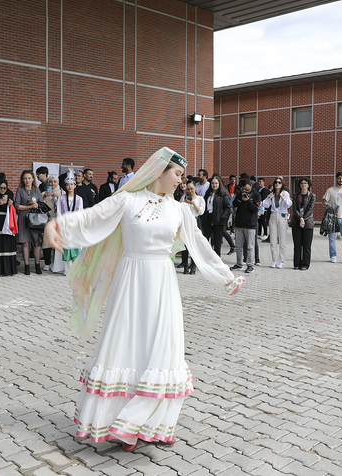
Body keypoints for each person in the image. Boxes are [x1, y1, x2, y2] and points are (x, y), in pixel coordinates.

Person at [43, 147, 243, 451]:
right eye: (177, 174)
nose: (181, 181)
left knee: (163, 350)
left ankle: (149, 424)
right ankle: (119, 423)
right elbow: (92, 217)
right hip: (130, 279)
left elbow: (201, 246)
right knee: (126, 346)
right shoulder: (127, 199)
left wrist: (225, 276)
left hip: (162, 282)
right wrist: (56, 225)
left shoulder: (180, 210)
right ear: (159, 171)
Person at [51, 175, 84, 275]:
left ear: (75, 186)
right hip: (64, 226)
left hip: (74, 226)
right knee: (64, 245)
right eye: (68, 185)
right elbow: (59, 212)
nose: (70, 186)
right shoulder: (61, 198)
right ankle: (65, 269)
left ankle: (74, 268)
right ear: (65, 186)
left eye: (72, 184)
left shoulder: (79, 199)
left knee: (74, 246)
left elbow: (80, 213)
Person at [16, 170, 46, 275]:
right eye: (25, 178)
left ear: (33, 179)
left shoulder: (36, 191)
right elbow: (17, 206)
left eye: (29, 178)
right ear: (22, 180)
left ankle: (37, 265)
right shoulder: (19, 190)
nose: (27, 180)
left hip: (35, 218)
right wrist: (30, 206)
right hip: (24, 217)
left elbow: (42, 204)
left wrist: (37, 205)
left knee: (36, 242)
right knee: (25, 242)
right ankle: (27, 266)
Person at [231, 180, 261, 273]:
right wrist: (241, 198)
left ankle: (250, 265)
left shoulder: (256, 195)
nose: (244, 190)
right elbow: (235, 203)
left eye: (246, 188)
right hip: (239, 223)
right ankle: (239, 264)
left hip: (250, 224)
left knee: (250, 246)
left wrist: (248, 201)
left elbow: (255, 208)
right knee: (238, 246)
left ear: (251, 186)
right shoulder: (239, 193)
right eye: (243, 188)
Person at [262, 177, 292, 268]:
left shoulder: (285, 193)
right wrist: (270, 198)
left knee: (282, 240)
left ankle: (281, 261)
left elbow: (288, 204)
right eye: (276, 182)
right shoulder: (272, 193)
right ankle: (274, 260)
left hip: (282, 216)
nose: (277, 184)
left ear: (282, 184)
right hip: (273, 216)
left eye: (279, 182)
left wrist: (282, 197)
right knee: (273, 240)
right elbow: (264, 204)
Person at [179, 181, 206, 274]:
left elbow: (201, 212)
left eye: (191, 188)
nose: (190, 190)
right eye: (188, 189)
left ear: (195, 188)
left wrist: (193, 203)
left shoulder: (200, 199)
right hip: (186, 223)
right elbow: (180, 211)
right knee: (185, 247)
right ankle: (185, 267)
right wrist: (185, 203)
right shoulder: (183, 197)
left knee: (194, 247)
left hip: (196, 222)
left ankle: (193, 267)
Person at [202, 175, 231, 257]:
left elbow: (227, 208)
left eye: (216, 183)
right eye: (212, 183)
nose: (214, 185)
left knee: (217, 242)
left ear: (219, 184)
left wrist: (223, 217)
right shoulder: (208, 194)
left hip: (218, 220)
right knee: (205, 239)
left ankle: (217, 260)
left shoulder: (223, 194)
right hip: (208, 218)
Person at [291, 177, 315, 270]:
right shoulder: (296, 195)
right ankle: (297, 263)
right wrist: (300, 219)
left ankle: (305, 264)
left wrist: (304, 219)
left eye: (305, 183)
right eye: (301, 183)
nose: (303, 185)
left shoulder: (312, 196)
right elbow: (294, 209)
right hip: (297, 221)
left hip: (308, 223)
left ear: (308, 185)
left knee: (306, 245)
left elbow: (310, 209)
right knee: (297, 244)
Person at [41, 175, 62, 272]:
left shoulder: (62, 193)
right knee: (46, 242)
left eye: (54, 181)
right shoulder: (44, 193)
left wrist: (58, 198)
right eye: (50, 182)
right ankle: (47, 263)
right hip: (47, 220)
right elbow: (40, 203)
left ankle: (56, 264)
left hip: (58, 221)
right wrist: (45, 196)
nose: (52, 184)